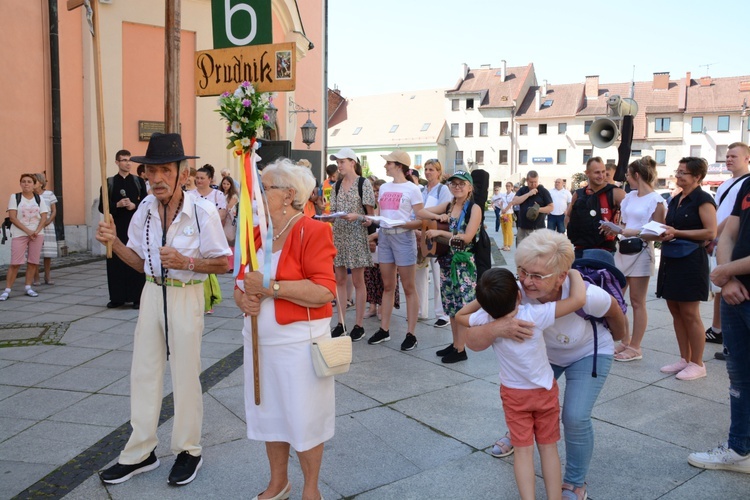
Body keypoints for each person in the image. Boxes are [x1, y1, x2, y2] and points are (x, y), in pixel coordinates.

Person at [95, 133, 230, 486]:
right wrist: (114, 242)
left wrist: (187, 260)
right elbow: (139, 263)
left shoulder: (201, 211)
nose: (156, 179)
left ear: (182, 173)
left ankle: (189, 449)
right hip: (152, 294)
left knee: (186, 374)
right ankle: (140, 452)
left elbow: (223, 263)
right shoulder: (145, 210)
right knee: (144, 372)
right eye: (150, 171)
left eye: (164, 171)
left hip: (186, 294)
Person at [464, 230, 627, 500]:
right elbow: (471, 334)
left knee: (575, 416)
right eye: (522, 271)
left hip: (586, 351)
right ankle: (519, 434)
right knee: (526, 399)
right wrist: (497, 327)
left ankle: (575, 482)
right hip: (544, 357)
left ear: (562, 276)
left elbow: (615, 312)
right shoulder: (513, 292)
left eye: (538, 276)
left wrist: (622, 338)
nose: (527, 282)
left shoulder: (586, 293)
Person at [234, 158, 336, 500]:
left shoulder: (314, 230)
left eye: (264, 188)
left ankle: (311, 489)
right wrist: (242, 299)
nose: (257, 194)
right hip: (261, 343)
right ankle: (278, 483)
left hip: (300, 346)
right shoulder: (256, 232)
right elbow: (241, 282)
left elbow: (324, 290)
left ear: (289, 194)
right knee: (271, 417)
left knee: (305, 419)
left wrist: (271, 287)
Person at [459, 265, 586, 500]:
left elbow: (459, 316)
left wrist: (485, 304)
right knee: (548, 450)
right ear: (518, 294)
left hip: (514, 396)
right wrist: (574, 273)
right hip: (544, 393)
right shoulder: (533, 315)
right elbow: (578, 299)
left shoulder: (485, 319)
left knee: (523, 453)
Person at [688, 171, 750, 473]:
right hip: (736, 293)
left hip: (735, 282)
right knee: (739, 376)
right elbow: (728, 233)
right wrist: (728, 279)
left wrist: (726, 272)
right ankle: (740, 448)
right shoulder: (748, 185)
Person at [656, 157, 716, 381]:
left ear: (697, 177)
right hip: (672, 257)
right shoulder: (675, 199)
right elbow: (672, 226)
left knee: (690, 313)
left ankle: (698, 363)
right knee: (675, 310)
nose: (678, 175)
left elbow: (710, 232)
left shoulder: (703, 199)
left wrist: (677, 232)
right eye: (678, 171)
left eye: (683, 173)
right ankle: (684, 358)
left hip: (691, 259)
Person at [607, 157, 667, 362]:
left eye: (628, 175)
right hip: (623, 248)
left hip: (641, 250)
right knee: (616, 297)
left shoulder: (656, 200)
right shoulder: (630, 197)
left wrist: (629, 231)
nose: (626, 179)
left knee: (637, 301)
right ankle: (625, 339)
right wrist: (615, 228)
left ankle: (636, 346)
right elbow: (623, 221)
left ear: (637, 175)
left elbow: (658, 231)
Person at [419, 170, 482, 363]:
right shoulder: (448, 205)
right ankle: (456, 343)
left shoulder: (474, 208)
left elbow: (467, 237)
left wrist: (442, 233)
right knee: (452, 308)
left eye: (462, 184)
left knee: (462, 308)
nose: (457, 187)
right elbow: (420, 212)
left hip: (463, 264)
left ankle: (461, 349)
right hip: (447, 261)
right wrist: (438, 218)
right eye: (454, 184)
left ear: (470, 187)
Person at [367, 150, 424, 351]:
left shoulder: (412, 189)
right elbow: (381, 215)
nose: (385, 166)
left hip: (403, 237)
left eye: (388, 163)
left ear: (399, 165)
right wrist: (372, 221)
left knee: (408, 286)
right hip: (385, 237)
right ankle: (384, 330)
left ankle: (411, 334)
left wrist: (402, 223)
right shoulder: (383, 188)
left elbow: (420, 218)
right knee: (388, 285)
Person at [705, 143, 750, 353]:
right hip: (724, 250)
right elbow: (727, 219)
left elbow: (728, 224)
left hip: (730, 255)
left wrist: (713, 235)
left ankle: (718, 329)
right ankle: (718, 329)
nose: (729, 159)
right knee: (719, 289)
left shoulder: (743, 183)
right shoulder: (731, 184)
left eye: (734, 156)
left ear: (747, 159)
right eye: (727, 156)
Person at [328, 147, 376, 341]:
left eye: (342, 161)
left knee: (358, 282)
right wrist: (327, 218)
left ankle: (359, 324)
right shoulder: (336, 186)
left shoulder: (363, 184)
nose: (339, 165)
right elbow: (332, 211)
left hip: (356, 235)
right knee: (339, 280)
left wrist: (358, 216)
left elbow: (371, 216)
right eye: (337, 162)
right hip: (339, 235)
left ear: (352, 163)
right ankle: (340, 322)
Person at [98, 149, 148, 309]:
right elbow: (102, 207)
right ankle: (117, 297)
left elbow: (147, 204)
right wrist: (116, 205)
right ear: (117, 162)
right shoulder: (109, 183)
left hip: (134, 228)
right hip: (117, 227)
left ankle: (137, 298)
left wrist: (134, 205)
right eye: (124, 160)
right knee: (116, 263)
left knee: (136, 259)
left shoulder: (138, 182)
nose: (128, 163)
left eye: (129, 160)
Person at [0, 174, 49, 302]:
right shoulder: (15, 197)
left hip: (37, 234)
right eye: (23, 181)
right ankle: (7, 290)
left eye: (29, 182)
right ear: (20, 184)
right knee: (15, 263)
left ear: (34, 185)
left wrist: (36, 231)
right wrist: (28, 231)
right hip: (20, 233)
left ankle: (28, 287)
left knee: (33, 262)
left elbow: (44, 216)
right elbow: (12, 217)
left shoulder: (39, 198)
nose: (26, 184)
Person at [416, 158, 452, 327]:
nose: (428, 172)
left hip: (436, 234)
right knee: (420, 274)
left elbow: (446, 207)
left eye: (432, 169)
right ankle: (421, 310)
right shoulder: (422, 190)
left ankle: (442, 313)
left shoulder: (442, 189)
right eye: (426, 169)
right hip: (421, 232)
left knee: (438, 275)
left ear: (439, 172)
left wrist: (422, 212)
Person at [566, 157, 625, 258]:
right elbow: (568, 216)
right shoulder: (578, 194)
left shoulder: (615, 193)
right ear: (587, 173)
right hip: (580, 250)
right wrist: (572, 230)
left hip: (605, 251)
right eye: (597, 172)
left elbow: (633, 216)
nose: (601, 176)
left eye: (603, 172)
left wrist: (618, 228)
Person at [190, 165, 227, 314]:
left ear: (209, 179)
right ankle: (197, 298)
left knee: (210, 268)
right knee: (195, 265)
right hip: (193, 234)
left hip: (211, 233)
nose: (199, 181)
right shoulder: (190, 194)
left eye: (202, 178)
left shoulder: (217, 195)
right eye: (197, 178)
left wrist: (208, 224)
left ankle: (209, 299)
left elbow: (222, 214)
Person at [509, 170, 553, 245]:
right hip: (523, 227)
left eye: (535, 182)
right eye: (531, 182)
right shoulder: (523, 190)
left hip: (538, 228)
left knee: (536, 253)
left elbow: (551, 207)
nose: (534, 184)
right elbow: (515, 201)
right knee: (521, 252)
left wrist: (538, 209)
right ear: (527, 180)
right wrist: (529, 194)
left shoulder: (543, 191)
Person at [33, 173, 58, 286]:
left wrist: (48, 221)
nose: (32, 184)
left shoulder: (49, 194)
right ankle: (36, 275)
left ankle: (47, 275)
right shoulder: (30, 195)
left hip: (47, 226)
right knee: (35, 252)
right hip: (34, 226)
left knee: (47, 252)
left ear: (41, 183)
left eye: (34, 181)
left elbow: (54, 211)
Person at [220, 176, 239, 272]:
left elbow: (229, 207)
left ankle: (231, 265)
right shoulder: (219, 194)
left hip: (229, 220)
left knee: (230, 241)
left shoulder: (233, 196)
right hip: (220, 219)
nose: (225, 186)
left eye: (227, 184)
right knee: (222, 242)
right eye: (224, 183)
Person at [499, 182, 515, 251]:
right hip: (503, 213)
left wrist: (505, 210)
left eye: (509, 186)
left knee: (508, 230)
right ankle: (505, 244)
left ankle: (508, 245)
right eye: (506, 186)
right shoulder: (503, 194)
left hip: (508, 213)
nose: (507, 187)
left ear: (511, 187)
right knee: (504, 230)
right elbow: (500, 202)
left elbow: (511, 203)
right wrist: (502, 209)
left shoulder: (513, 195)